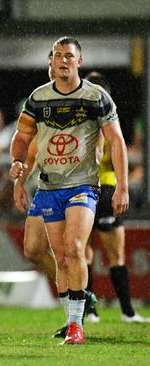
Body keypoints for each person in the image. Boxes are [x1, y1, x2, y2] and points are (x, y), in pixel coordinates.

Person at [10, 37, 129, 345]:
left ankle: (77, 325)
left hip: (84, 186)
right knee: (60, 256)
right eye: (58, 56)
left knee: (75, 248)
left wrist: (122, 187)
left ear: (80, 61)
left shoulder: (96, 97)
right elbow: (23, 138)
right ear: (51, 61)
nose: (63, 60)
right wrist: (17, 168)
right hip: (49, 187)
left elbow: (116, 141)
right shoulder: (38, 99)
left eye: (69, 56)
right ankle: (73, 315)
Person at [83, 71, 149, 324]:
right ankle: (122, 312)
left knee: (87, 252)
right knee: (109, 254)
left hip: (93, 189)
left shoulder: (94, 119)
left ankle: (98, 311)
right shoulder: (107, 120)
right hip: (99, 188)